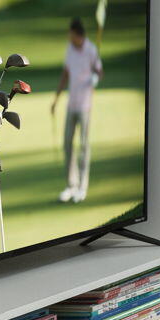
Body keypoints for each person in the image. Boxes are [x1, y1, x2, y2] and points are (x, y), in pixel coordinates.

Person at [51, 17, 103, 202]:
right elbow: (65, 74)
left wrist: (95, 79)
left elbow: (99, 72)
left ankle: (82, 187)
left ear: (79, 35)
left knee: (83, 146)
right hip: (71, 104)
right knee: (67, 143)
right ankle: (71, 186)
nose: (69, 37)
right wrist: (56, 99)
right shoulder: (70, 49)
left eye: (71, 35)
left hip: (85, 105)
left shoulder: (91, 50)